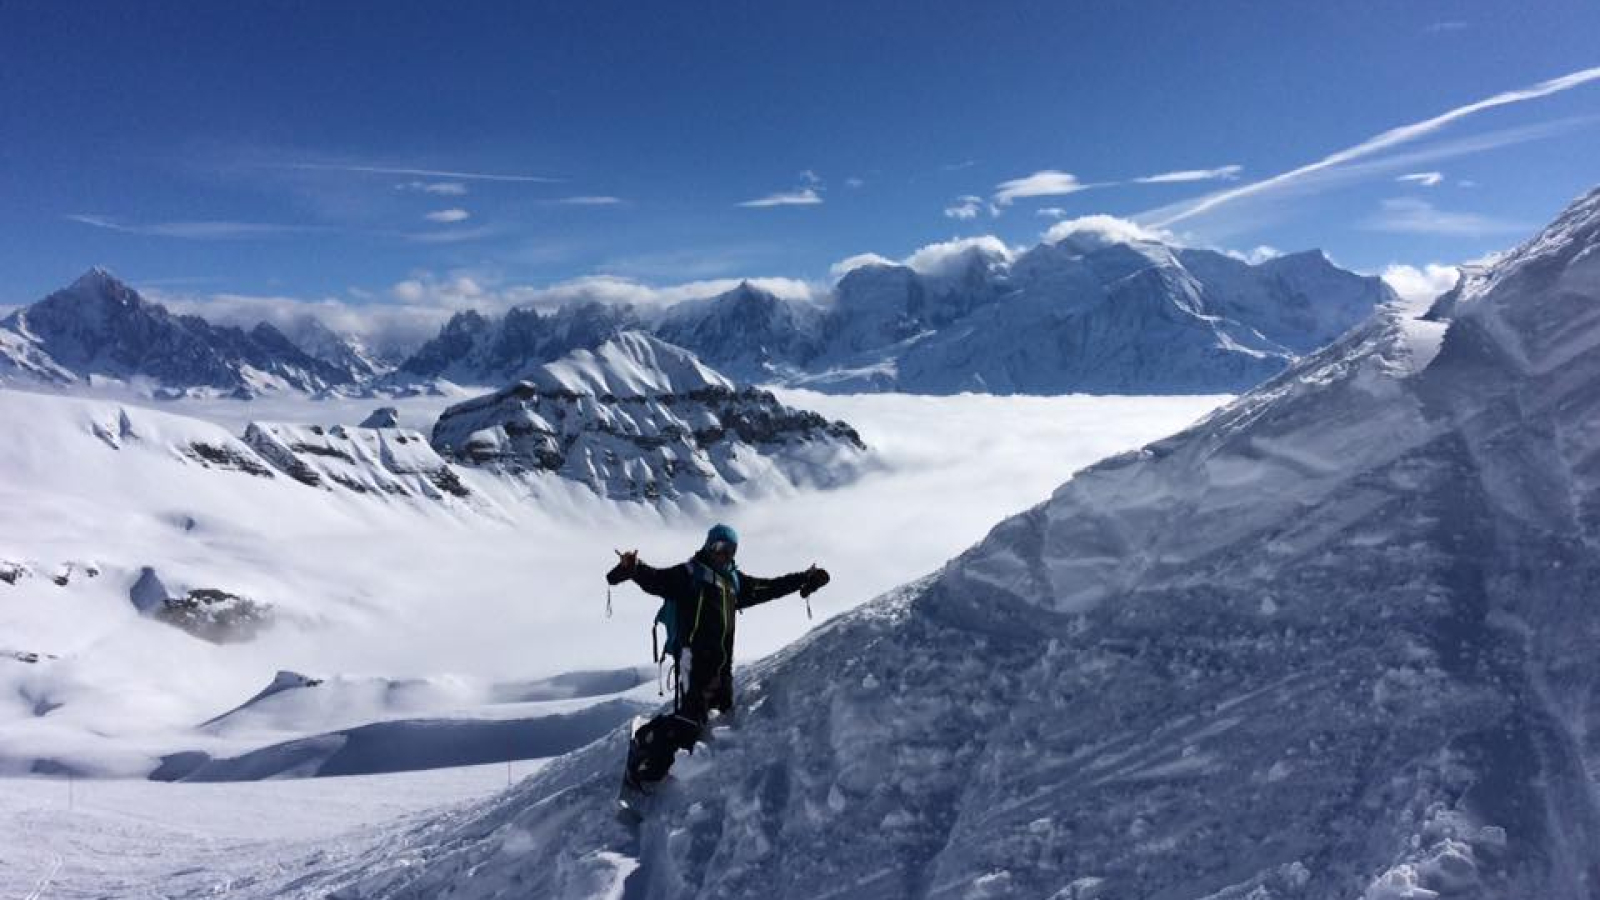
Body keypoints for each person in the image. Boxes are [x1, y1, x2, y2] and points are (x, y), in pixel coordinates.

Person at [607, 523, 829, 794]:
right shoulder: (690, 574)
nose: (725, 554)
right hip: (694, 662)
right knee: (690, 723)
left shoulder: (733, 582)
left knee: (719, 718)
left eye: (730, 550)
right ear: (709, 546)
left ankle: (686, 763)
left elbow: (768, 587)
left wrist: (803, 579)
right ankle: (645, 747)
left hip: (722, 668)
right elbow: (657, 580)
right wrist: (634, 568)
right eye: (720, 548)